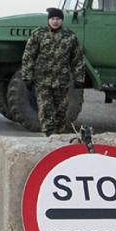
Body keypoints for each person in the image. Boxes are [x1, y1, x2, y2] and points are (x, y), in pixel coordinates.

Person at [21, 7, 84, 136]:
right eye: (52, 18)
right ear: (48, 20)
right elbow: (28, 56)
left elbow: (77, 59)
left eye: (58, 19)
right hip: (43, 80)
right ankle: (49, 135)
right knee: (45, 109)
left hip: (62, 81)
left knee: (61, 111)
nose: (55, 21)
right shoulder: (38, 34)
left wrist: (79, 78)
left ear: (62, 20)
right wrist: (27, 77)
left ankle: (58, 135)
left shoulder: (70, 37)